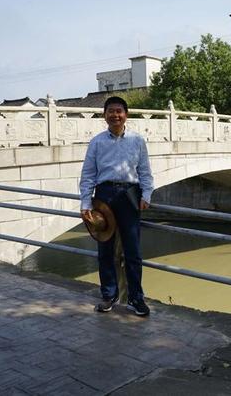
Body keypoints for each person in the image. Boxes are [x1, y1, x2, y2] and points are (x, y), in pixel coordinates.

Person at [79, 96, 154, 316]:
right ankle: (109, 295)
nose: (115, 115)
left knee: (133, 251)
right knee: (105, 249)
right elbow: (88, 174)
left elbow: (145, 172)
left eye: (119, 111)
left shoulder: (137, 140)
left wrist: (146, 195)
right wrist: (85, 202)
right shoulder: (97, 142)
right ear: (104, 115)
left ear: (126, 114)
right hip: (104, 195)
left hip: (130, 194)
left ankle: (136, 298)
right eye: (111, 111)